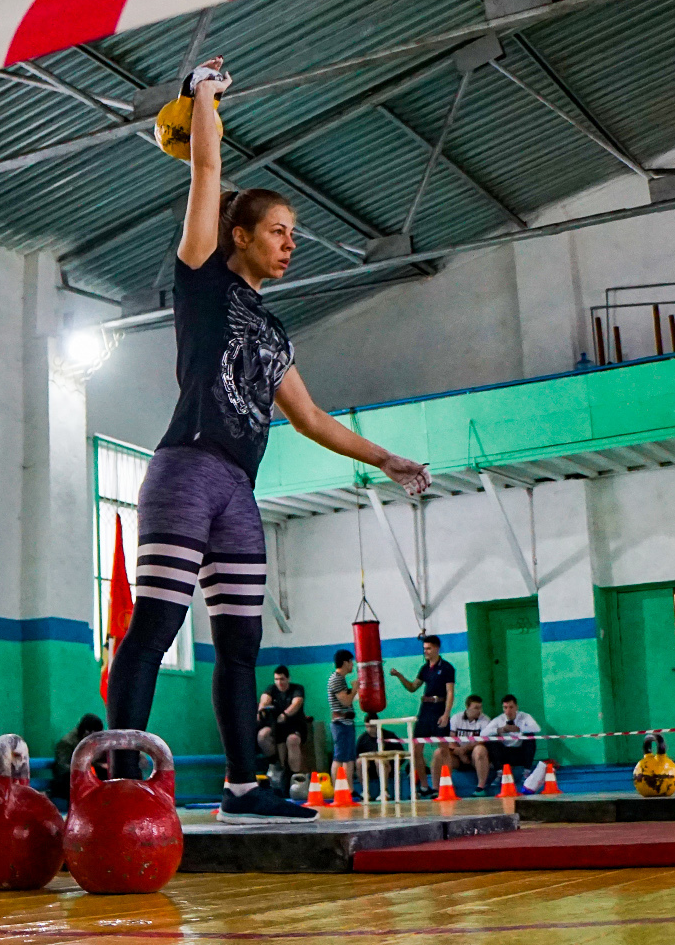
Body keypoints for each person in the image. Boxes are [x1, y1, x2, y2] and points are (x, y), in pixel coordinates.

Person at [103, 56, 431, 824]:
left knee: (241, 642)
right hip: (184, 469)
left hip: (238, 493)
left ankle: (244, 789)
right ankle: (117, 780)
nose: (290, 245)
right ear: (239, 236)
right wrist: (205, 93)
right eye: (278, 232)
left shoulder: (275, 329)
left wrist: (385, 458)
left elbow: (311, 419)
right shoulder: (202, 278)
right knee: (155, 621)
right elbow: (206, 169)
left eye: (293, 234)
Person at [389, 635, 454, 793]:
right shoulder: (424, 668)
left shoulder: (447, 668)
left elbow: (450, 692)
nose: (426, 651)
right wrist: (399, 676)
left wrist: (446, 714)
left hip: (439, 708)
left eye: (429, 648)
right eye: (424, 648)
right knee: (417, 749)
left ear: (437, 648)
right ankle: (425, 786)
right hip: (425, 709)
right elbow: (412, 687)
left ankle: (446, 785)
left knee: (444, 749)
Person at [256, 665, 308, 788]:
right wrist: (261, 709)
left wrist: (285, 714)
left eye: (282, 679)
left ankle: (294, 775)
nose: (279, 682)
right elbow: (265, 698)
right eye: (277, 679)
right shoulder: (271, 689)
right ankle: (274, 763)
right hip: (277, 728)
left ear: (288, 679)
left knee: (292, 740)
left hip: (294, 726)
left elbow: (297, 702)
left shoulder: (297, 689)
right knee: (262, 736)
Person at [432, 694, 492, 791]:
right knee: (438, 752)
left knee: (480, 750)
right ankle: (436, 788)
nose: (479, 711)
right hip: (457, 754)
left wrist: (464, 750)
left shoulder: (485, 720)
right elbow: (451, 739)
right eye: (476, 708)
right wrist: (459, 753)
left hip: (473, 755)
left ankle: (481, 787)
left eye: (480, 708)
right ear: (467, 707)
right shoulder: (456, 718)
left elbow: (482, 741)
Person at [50, 713, 106, 807]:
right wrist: (92, 766)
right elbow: (63, 767)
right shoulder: (67, 742)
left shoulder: (96, 741)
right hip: (67, 780)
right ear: (86, 732)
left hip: (87, 776)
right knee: (79, 779)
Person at [482, 694, 541, 780]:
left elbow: (537, 728)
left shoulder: (524, 716)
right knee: (492, 740)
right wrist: (500, 730)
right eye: (505, 708)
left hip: (521, 752)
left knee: (530, 736)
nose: (508, 711)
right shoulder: (499, 719)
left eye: (511, 707)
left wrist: (519, 729)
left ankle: (526, 772)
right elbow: (483, 733)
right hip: (505, 753)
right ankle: (499, 773)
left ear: (516, 707)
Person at [325, 650, 357, 773]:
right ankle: (338, 790)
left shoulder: (341, 680)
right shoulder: (336, 680)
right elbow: (346, 702)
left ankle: (349, 790)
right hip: (341, 724)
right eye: (351, 662)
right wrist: (354, 688)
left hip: (346, 722)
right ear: (345, 662)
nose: (352, 665)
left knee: (348, 759)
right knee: (339, 758)